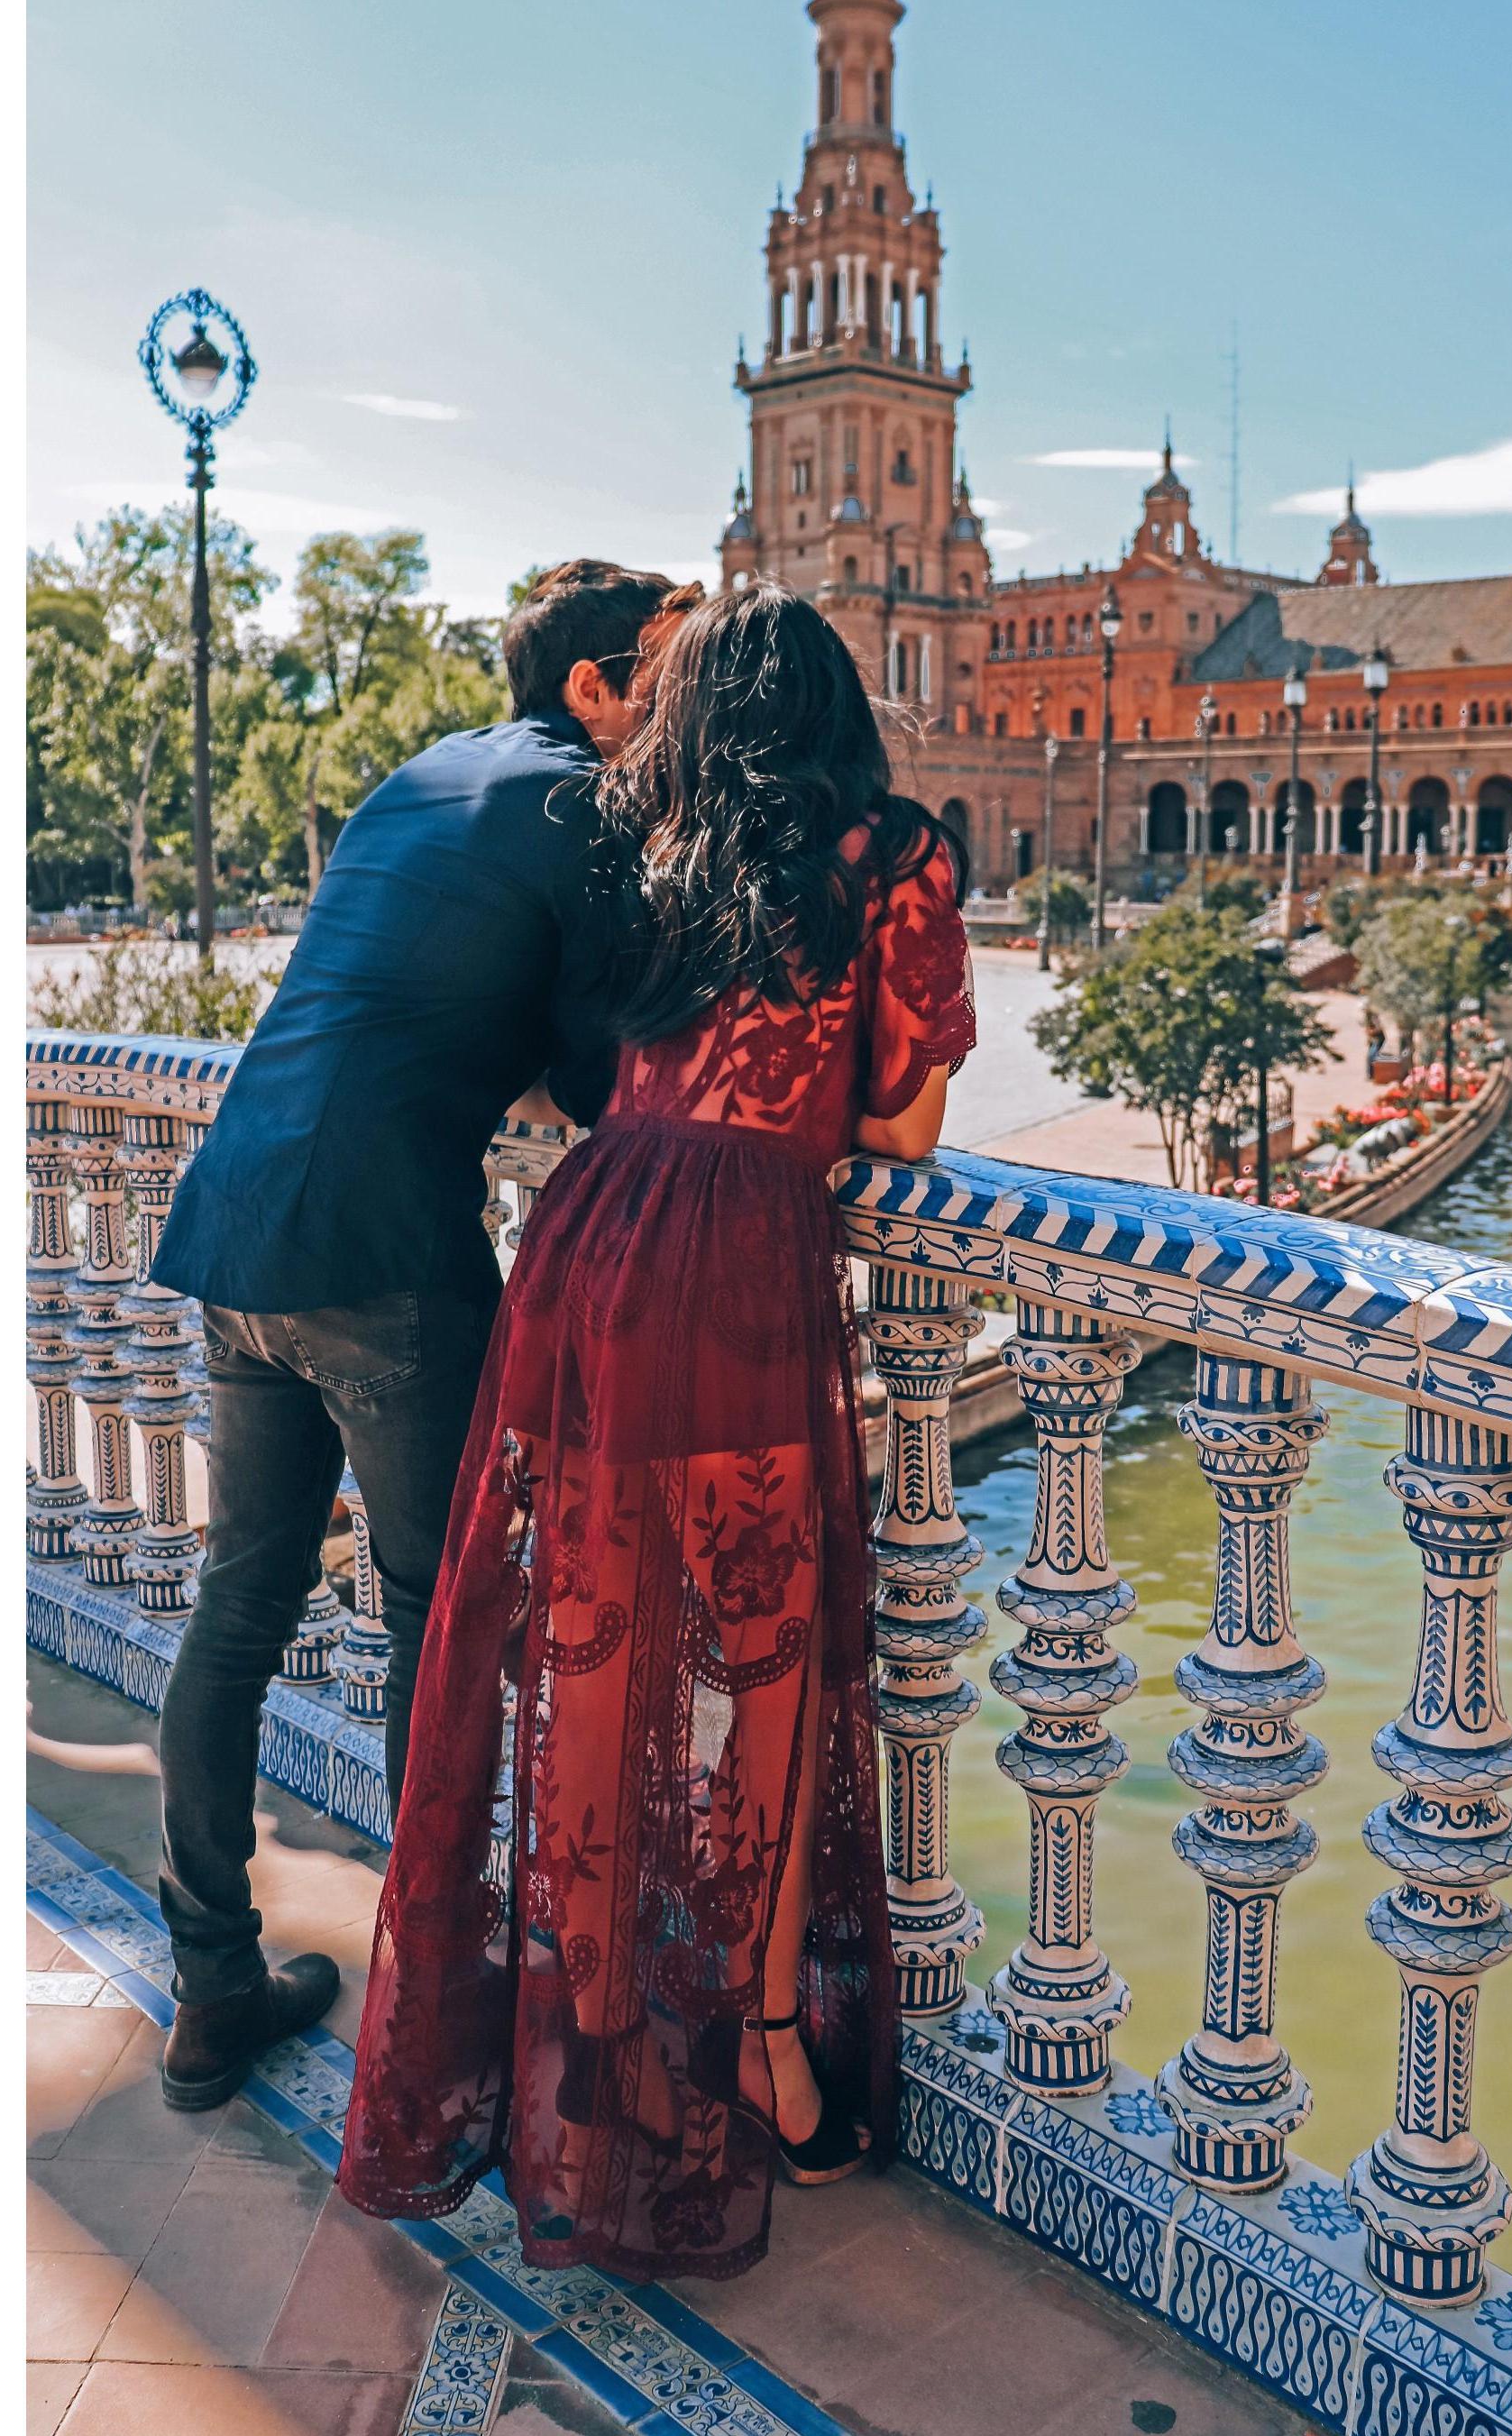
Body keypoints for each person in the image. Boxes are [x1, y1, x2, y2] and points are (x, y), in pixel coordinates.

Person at [337, 579, 976, 2282]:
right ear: (839, 714)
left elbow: (578, 1072)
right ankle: (765, 2045)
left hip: (591, 1243)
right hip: (746, 1262)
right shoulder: (891, 858)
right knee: (762, 1670)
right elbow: (907, 1126)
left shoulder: (641, 843)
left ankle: (592, 2033)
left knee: (589, 1648)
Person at [142, 558, 685, 2111]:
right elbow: (604, 1087)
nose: (673, 707)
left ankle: (213, 1986)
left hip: (241, 1223)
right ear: (590, 687)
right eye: (657, 672)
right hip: (383, 1261)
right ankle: (441, 2013)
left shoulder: (424, 774)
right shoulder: (585, 806)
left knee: (237, 1614)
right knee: (434, 1633)